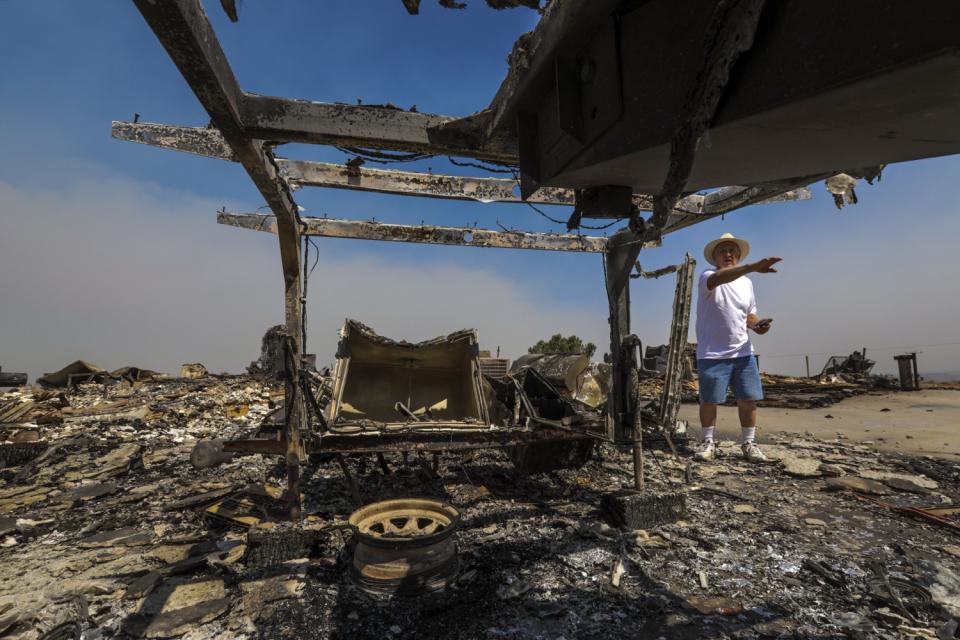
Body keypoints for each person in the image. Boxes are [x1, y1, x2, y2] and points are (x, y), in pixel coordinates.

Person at [693, 233, 780, 462]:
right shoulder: (707, 277)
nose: (728, 254)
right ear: (714, 257)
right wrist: (752, 267)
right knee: (709, 400)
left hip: (743, 350)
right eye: (722, 251)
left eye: (732, 250)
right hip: (712, 352)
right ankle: (708, 442)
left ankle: (749, 443)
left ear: (738, 255)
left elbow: (749, 314)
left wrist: (757, 325)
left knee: (748, 398)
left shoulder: (747, 283)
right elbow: (719, 279)